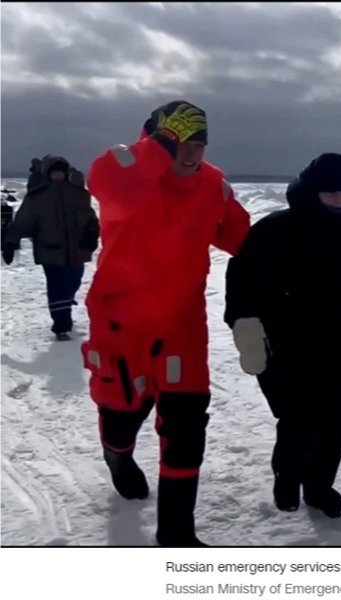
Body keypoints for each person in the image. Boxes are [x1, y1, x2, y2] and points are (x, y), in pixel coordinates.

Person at [81, 99, 251, 546]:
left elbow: (243, 239)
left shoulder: (213, 185)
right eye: (180, 141)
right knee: (123, 411)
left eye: (198, 142)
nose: (190, 153)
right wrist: (159, 144)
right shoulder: (129, 172)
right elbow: (103, 181)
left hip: (181, 325)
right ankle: (117, 455)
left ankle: (177, 532)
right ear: (154, 137)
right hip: (122, 320)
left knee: (186, 423)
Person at [224, 153, 341, 517]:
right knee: (300, 421)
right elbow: (241, 278)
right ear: (310, 192)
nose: (340, 200)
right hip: (278, 342)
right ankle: (287, 477)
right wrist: (245, 326)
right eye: (330, 193)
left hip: (330, 341)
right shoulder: (275, 229)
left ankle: (319, 488)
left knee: (337, 423)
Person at [2, 155, 100, 340]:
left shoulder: (79, 194)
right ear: (48, 174)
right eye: (54, 173)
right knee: (57, 288)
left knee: (73, 282)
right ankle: (61, 326)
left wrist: (91, 237)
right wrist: (11, 241)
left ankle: (65, 303)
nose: (58, 176)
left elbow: (90, 219)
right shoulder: (38, 197)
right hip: (50, 251)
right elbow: (23, 221)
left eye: (60, 172)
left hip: (77, 250)